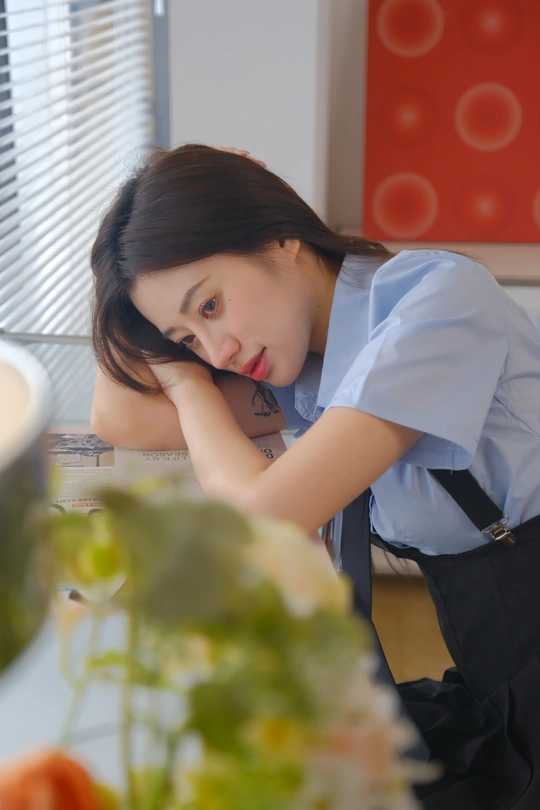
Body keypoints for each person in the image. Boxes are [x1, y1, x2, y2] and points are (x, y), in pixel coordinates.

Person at [90, 143, 540, 809]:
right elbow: (119, 416)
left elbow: (262, 518)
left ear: (279, 236)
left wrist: (187, 383)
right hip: (495, 665)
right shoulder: (309, 366)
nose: (217, 352)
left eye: (209, 306)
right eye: (186, 339)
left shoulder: (440, 304)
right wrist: (122, 274)